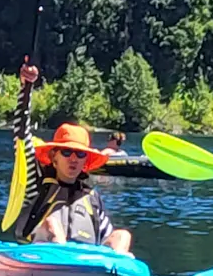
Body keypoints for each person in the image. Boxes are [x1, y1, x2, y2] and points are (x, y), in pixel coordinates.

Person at [11, 64, 132, 252]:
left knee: (123, 236)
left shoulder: (91, 198)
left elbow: (107, 237)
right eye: (66, 153)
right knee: (51, 224)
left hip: (85, 266)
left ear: (86, 161)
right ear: (54, 157)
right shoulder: (36, 183)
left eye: (80, 154)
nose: (73, 158)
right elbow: (21, 134)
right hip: (42, 257)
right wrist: (26, 88)